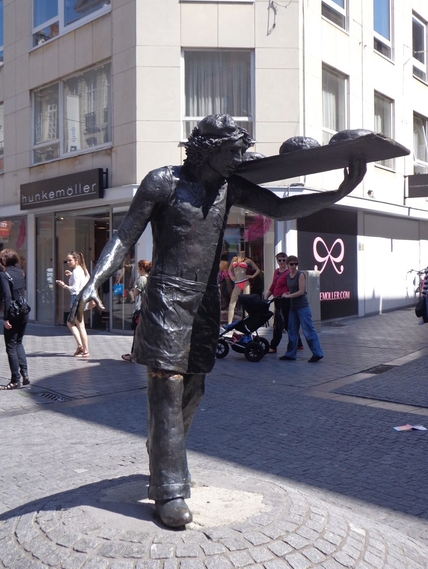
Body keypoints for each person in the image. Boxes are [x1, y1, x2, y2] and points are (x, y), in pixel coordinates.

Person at [70, 114, 366, 528]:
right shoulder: (163, 181)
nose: (239, 159)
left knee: (194, 385)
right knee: (167, 385)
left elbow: (279, 207)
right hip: (168, 293)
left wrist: (339, 191)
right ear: (208, 150)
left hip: (206, 298)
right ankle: (170, 486)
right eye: (233, 152)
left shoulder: (229, 185)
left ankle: (164, 456)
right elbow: (124, 236)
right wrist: (94, 281)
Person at [279, 255, 324, 363]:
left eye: (296, 264)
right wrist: (287, 293)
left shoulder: (300, 275)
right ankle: (290, 354)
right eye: (291, 264)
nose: (294, 266)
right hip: (293, 307)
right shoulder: (288, 276)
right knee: (292, 331)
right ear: (288, 264)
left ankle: (317, 353)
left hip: (302, 307)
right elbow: (293, 289)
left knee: (308, 331)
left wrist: (288, 296)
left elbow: (301, 291)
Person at [0, 248, 30, 390]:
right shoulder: (20, 272)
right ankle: (25, 374)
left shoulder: (4, 275)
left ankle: (14, 380)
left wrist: (6, 318)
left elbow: (7, 296)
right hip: (23, 311)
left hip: (12, 313)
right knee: (19, 343)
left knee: (10, 346)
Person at [265, 251, 303, 353]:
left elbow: (293, 286)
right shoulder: (276, 272)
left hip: (285, 300)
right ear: (277, 261)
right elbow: (273, 285)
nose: (281, 262)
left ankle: (273, 346)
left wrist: (287, 294)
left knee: (280, 324)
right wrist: (266, 296)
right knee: (285, 323)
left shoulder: (289, 273)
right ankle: (298, 343)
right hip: (277, 299)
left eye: (283, 260)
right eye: (279, 260)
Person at [56, 251, 91, 358]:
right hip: (83, 298)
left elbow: (75, 288)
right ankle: (82, 348)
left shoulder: (77, 271)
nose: (68, 262)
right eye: (67, 260)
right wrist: (71, 275)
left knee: (75, 324)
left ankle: (83, 349)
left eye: (70, 260)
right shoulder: (83, 270)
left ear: (76, 260)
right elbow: (86, 282)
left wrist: (64, 285)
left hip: (77, 298)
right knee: (78, 324)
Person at [122, 260, 152, 362]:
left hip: (141, 309)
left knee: (137, 332)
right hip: (149, 309)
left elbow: (134, 295)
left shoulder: (142, 279)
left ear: (141, 269)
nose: (138, 271)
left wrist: (132, 287)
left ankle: (133, 354)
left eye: (138, 268)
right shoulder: (151, 278)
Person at [227, 251, 260, 324]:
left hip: (245, 282)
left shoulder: (248, 260)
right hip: (237, 283)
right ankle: (229, 324)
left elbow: (258, 270)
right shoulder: (234, 259)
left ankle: (247, 323)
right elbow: (229, 269)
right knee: (232, 304)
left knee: (246, 303)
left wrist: (251, 276)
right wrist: (231, 276)